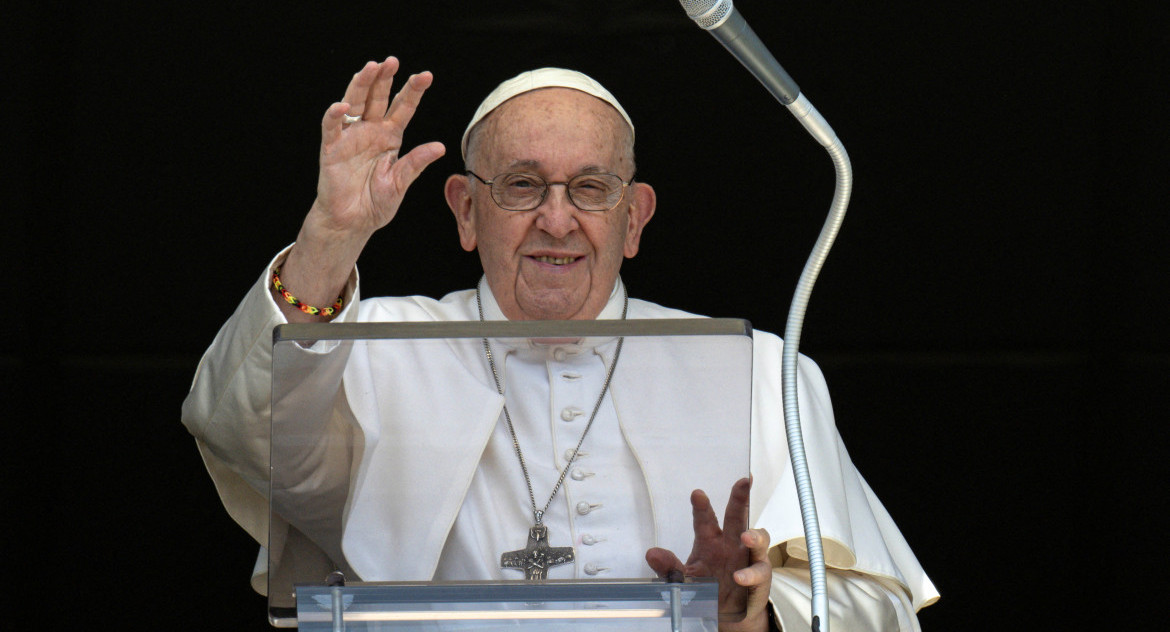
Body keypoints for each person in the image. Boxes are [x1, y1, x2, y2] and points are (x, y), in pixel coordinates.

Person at [182, 57, 938, 631]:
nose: (556, 219)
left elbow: (874, 607)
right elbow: (242, 433)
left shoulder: (760, 371)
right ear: (464, 209)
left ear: (634, 218)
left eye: (590, 188)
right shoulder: (371, 349)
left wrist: (750, 614)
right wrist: (330, 238)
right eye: (520, 185)